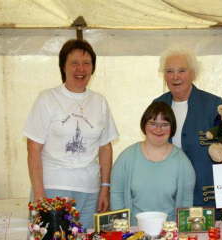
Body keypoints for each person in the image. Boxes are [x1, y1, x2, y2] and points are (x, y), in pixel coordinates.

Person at [24, 39, 118, 229]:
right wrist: (39, 195)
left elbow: (105, 147)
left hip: (90, 190)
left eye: (86, 63)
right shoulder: (47, 99)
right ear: (63, 66)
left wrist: (105, 188)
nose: (80, 69)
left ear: (93, 68)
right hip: (54, 188)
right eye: (74, 63)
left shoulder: (99, 101)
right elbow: (33, 148)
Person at [153, 48, 222, 210]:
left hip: (204, 194)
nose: (175, 76)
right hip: (167, 194)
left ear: (193, 74)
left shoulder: (213, 104)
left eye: (182, 71)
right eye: (169, 71)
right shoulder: (158, 105)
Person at [110, 102, 195, 225]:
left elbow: (186, 203)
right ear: (144, 125)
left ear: (172, 128)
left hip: (169, 233)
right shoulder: (126, 158)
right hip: (134, 232)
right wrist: (123, 228)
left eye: (164, 124)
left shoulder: (182, 162)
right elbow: (117, 195)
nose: (158, 129)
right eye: (153, 123)